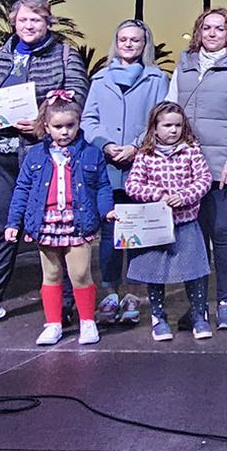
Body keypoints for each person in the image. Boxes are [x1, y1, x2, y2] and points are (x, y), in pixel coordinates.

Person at [0, 0, 89, 327]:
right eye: (23, 20)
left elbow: (77, 97)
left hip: (42, 159)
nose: (28, 26)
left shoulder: (65, 56)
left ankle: (65, 303)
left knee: (55, 229)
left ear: (48, 23)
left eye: (36, 20)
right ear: (13, 23)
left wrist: (43, 123)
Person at [171, 7, 227, 330]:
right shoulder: (183, 66)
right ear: (199, 31)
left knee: (221, 231)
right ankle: (197, 305)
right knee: (193, 237)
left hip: (224, 167)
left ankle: (225, 302)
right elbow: (169, 109)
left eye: (219, 28)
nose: (212, 33)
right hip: (187, 167)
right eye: (207, 27)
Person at [81, 19, 170, 325]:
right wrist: (105, 145)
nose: (129, 44)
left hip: (140, 166)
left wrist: (134, 146)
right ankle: (110, 292)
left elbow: (161, 119)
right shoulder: (100, 78)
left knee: (137, 232)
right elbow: (88, 119)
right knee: (109, 233)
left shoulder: (157, 79)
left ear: (145, 44)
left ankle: (134, 291)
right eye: (123, 39)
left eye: (135, 40)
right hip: (106, 166)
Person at [5, 95, 112, 346]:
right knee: (51, 273)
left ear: (78, 123)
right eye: (58, 126)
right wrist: (13, 222)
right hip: (46, 221)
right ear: (46, 125)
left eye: (70, 125)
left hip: (78, 220)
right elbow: (22, 189)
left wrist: (106, 211)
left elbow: (103, 186)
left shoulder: (91, 153)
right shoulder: (35, 155)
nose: (64, 132)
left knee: (80, 273)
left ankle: (87, 321)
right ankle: (53, 323)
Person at [121, 102, 214, 342]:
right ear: (154, 127)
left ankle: (199, 315)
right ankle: (158, 317)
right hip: (156, 226)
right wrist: (157, 195)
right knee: (155, 273)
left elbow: (204, 179)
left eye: (178, 125)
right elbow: (132, 185)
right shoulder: (145, 154)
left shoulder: (191, 150)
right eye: (167, 125)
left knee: (194, 271)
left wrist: (184, 196)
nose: (173, 130)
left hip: (185, 222)